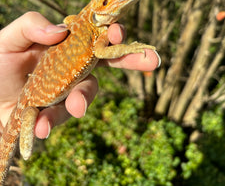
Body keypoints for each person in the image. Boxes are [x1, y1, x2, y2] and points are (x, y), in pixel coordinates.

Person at [0, 12, 160, 139]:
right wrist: (128, 49)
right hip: (30, 104)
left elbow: (69, 19)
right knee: (30, 120)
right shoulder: (90, 24)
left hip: (29, 102)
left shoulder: (94, 27)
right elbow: (99, 50)